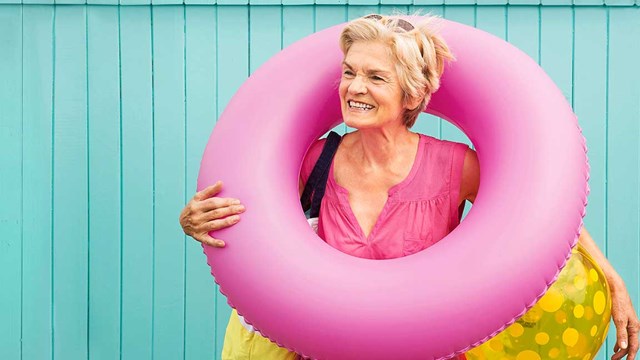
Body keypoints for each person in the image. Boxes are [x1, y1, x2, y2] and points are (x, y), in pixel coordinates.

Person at [179, 14, 639, 360]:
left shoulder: (455, 165)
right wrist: (192, 220)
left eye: (376, 77)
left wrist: (611, 277)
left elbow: (539, 221)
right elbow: (249, 224)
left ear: (413, 95)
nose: (353, 87)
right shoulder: (315, 160)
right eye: (349, 71)